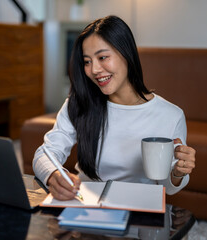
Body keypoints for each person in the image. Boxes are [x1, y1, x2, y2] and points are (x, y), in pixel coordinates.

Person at [33, 15, 196, 200]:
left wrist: (178, 172)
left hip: (137, 207)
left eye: (102, 57)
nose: (94, 69)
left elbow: (170, 188)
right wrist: (53, 175)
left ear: (126, 53)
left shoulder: (170, 116)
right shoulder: (79, 103)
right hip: (85, 204)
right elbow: (44, 154)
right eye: (87, 61)